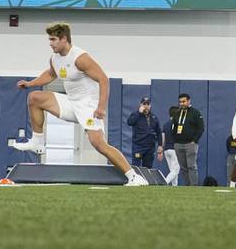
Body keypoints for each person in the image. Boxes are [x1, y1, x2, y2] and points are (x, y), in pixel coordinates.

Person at [9, 22, 149, 185]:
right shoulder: (55, 58)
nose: (50, 43)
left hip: (88, 106)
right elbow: (50, 74)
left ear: (64, 39)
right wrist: (30, 83)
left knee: (98, 144)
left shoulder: (81, 58)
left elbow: (104, 79)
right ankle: (37, 142)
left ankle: (134, 176)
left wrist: (101, 108)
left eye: (53, 39)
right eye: (49, 40)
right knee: (34, 97)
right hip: (70, 102)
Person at [172, 93, 205, 186]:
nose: (182, 103)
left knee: (191, 166)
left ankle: (194, 186)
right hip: (178, 144)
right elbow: (173, 128)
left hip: (190, 144)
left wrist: (194, 141)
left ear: (189, 101)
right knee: (183, 167)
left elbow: (201, 128)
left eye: (183, 101)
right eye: (180, 102)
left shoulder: (195, 113)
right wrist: (175, 141)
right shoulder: (177, 113)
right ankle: (187, 186)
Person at [126, 97, 158, 168]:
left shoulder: (154, 117)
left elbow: (158, 131)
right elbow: (129, 122)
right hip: (138, 146)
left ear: (150, 106)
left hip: (150, 147)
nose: (146, 106)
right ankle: (136, 179)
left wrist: (160, 145)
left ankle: (146, 179)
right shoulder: (135, 114)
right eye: (144, 104)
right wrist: (139, 113)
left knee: (148, 167)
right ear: (141, 105)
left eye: (148, 104)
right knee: (136, 166)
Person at [159, 107, 180, 185]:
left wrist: (161, 150)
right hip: (174, 150)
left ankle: (174, 187)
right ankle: (164, 182)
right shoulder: (177, 124)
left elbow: (163, 139)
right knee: (175, 170)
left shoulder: (166, 124)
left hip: (167, 150)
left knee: (173, 171)